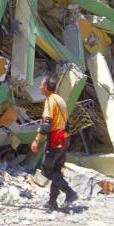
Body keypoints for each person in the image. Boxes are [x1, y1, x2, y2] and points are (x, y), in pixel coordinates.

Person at [30, 74, 78, 210]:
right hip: (65, 137)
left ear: (45, 87)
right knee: (56, 169)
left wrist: (36, 140)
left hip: (55, 139)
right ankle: (52, 202)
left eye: (41, 85)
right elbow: (67, 122)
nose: (39, 87)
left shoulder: (50, 100)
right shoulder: (60, 100)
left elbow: (46, 125)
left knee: (47, 170)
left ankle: (69, 192)